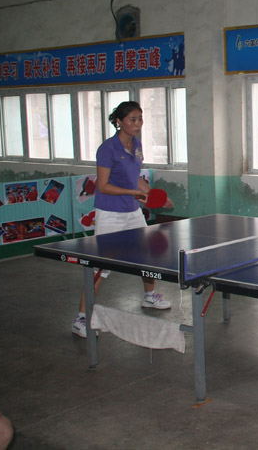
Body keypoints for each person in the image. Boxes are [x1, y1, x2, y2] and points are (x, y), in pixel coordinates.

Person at [72, 101, 174, 338]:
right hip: (110, 214)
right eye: (132, 119)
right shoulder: (107, 149)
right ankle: (81, 318)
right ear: (119, 122)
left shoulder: (136, 145)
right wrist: (134, 193)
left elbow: (134, 177)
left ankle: (149, 296)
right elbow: (103, 186)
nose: (138, 124)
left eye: (140, 119)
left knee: (148, 257)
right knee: (101, 267)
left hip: (132, 212)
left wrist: (153, 195)